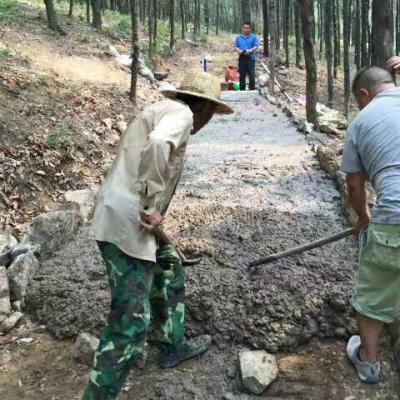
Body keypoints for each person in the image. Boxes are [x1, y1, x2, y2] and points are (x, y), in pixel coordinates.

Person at [82, 71, 233, 400]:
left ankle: (171, 344)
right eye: (211, 115)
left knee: (168, 264)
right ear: (205, 109)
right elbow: (158, 145)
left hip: (122, 213)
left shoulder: (162, 109)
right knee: (129, 326)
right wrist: (151, 203)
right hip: (127, 224)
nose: (207, 122)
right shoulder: (181, 115)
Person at [341, 66, 400, 384]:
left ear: (364, 95)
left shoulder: (361, 122)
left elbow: (354, 186)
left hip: (394, 216)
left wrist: (364, 221)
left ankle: (369, 361)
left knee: (372, 298)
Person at [235, 22, 260, 91]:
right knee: (242, 76)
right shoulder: (238, 37)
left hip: (250, 58)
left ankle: (252, 90)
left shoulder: (254, 37)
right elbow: (236, 46)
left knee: (251, 75)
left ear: (250, 29)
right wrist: (239, 50)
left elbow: (256, 45)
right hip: (241, 58)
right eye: (245, 28)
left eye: (248, 28)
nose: (246, 29)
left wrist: (251, 50)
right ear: (242, 28)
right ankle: (242, 90)